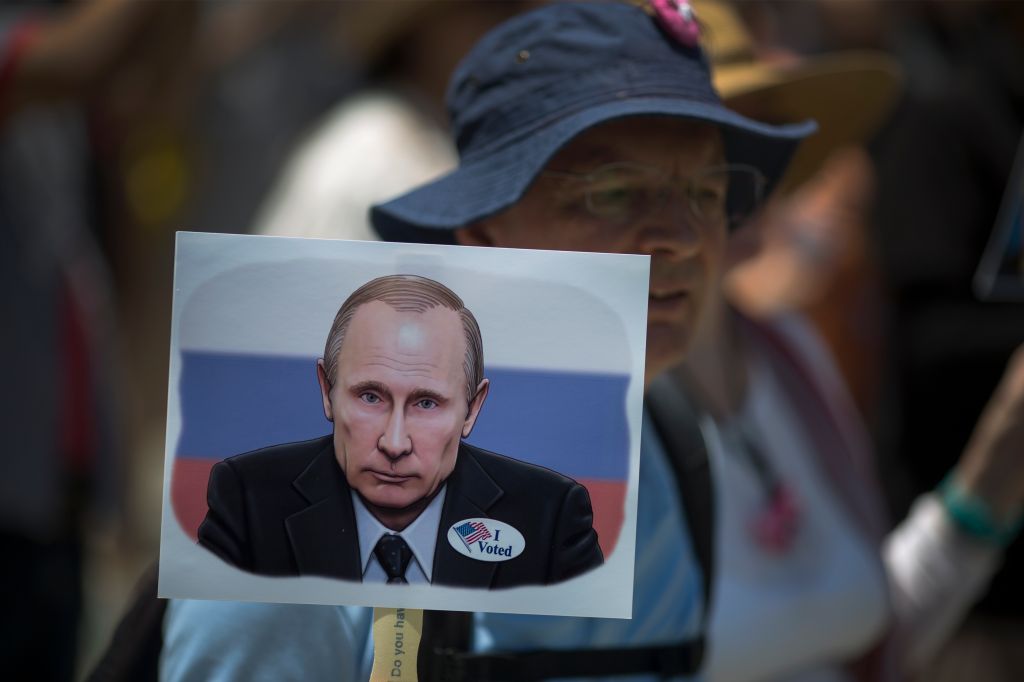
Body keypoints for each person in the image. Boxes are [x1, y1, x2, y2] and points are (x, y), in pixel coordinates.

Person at [161, 2, 814, 679]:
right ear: (480, 235)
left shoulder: (674, 461)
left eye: (707, 193)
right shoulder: (291, 525)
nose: (681, 236)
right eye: (616, 193)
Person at [197, 274, 603, 587]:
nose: (394, 444)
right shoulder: (246, 501)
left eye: (426, 403)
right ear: (327, 390)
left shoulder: (551, 519)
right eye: (370, 397)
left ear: (472, 409)